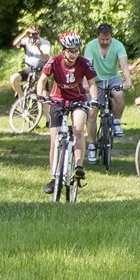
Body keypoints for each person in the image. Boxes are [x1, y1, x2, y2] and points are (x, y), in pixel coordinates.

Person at [37, 32, 98, 194]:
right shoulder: (54, 60)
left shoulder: (84, 63)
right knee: (54, 138)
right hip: (57, 100)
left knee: (78, 129)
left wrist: (93, 98)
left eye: (76, 50)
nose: (74, 54)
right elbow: (42, 79)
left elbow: (92, 84)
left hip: (78, 99)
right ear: (63, 50)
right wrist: (40, 95)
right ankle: (53, 178)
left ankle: (78, 166)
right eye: (70, 51)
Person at [83, 23, 132, 160]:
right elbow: (87, 66)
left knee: (118, 94)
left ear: (111, 37)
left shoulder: (118, 45)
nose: (105, 42)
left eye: (107, 39)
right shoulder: (91, 46)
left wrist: (127, 80)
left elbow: (124, 65)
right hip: (96, 80)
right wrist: (85, 84)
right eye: (102, 39)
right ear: (97, 37)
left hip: (113, 78)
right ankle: (91, 145)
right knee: (92, 112)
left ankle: (116, 121)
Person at [10, 24, 50, 99]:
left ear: (39, 32)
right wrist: (25, 33)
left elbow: (47, 59)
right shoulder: (26, 41)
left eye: (36, 33)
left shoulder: (45, 42)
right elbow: (15, 43)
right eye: (32, 33)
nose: (34, 35)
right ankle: (22, 98)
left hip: (40, 71)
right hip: (28, 69)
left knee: (45, 97)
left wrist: (39, 48)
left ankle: (41, 104)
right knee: (13, 79)